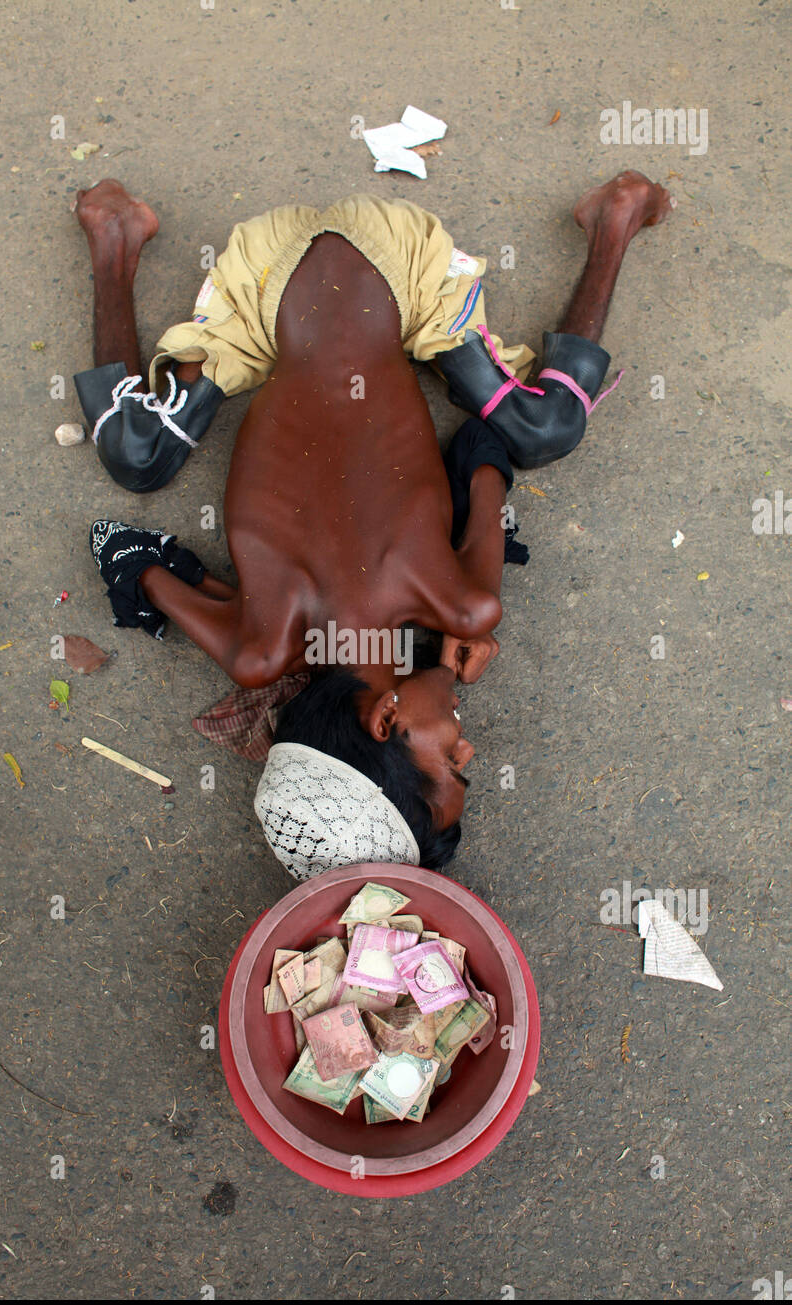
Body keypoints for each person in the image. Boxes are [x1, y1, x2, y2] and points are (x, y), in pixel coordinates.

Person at [73, 173, 674, 878]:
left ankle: (616, 218)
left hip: (391, 263)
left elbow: (482, 456)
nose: (469, 747)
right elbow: (123, 549)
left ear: (386, 722)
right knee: (135, 455)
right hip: (266, 278)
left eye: (452, 761)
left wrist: (464, 617)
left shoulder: (463, 602)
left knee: (545, 427)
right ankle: (114, 235)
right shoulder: (260, 649)